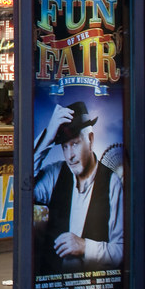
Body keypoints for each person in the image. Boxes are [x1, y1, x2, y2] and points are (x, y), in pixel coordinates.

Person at [33, 101, 123, 273]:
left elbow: (122, 251)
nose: (70, 156)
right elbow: (22, 189)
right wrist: (47, 139)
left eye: (75, 143)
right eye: (64, 147)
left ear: (90, 139)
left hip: (94, 288)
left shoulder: (112, 183)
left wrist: (85, 247)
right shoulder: (56, 174)